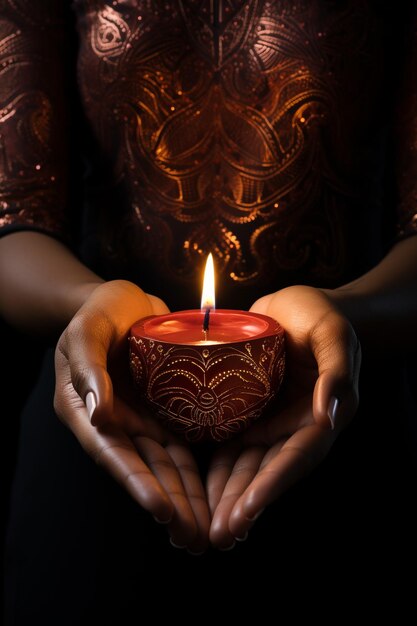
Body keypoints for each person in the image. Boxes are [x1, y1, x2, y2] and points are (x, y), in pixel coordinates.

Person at [1, 1, 416, 623]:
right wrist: (85, 307)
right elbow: (14, 224)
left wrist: (345, 317)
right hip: (102, 420)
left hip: (333, 428)